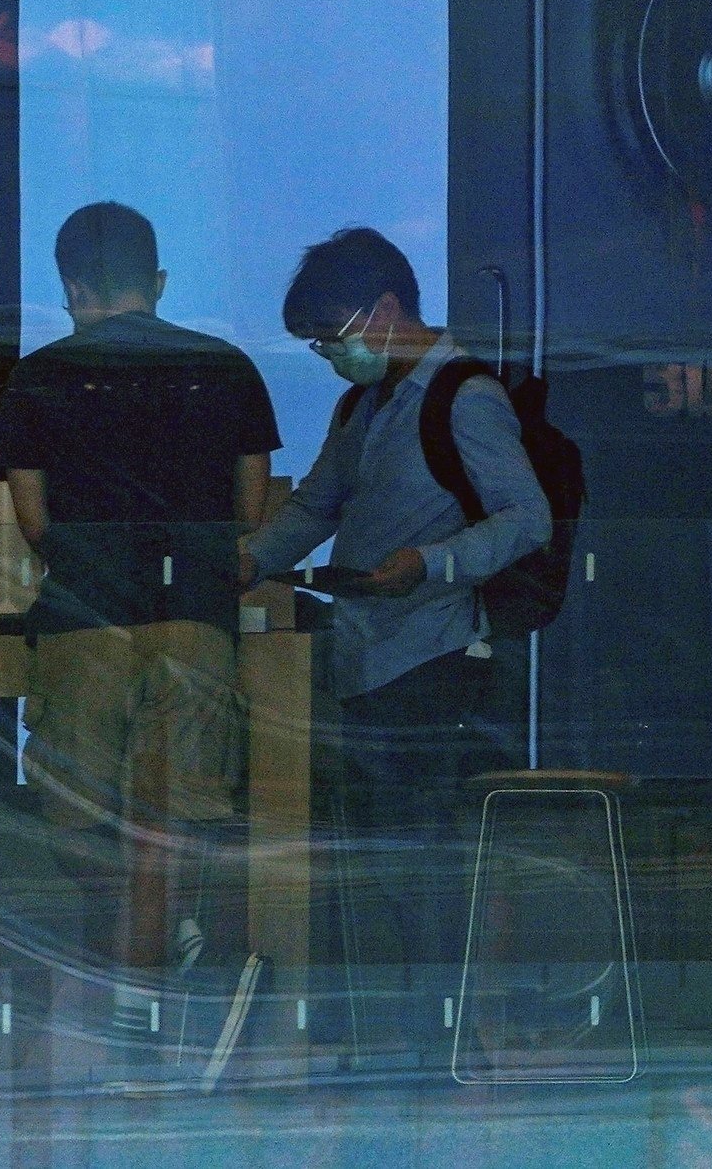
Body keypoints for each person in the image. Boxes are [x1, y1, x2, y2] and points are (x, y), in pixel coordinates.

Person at [243, 226, 549, 1066]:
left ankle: (442, 1040)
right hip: (368, 656)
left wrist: (432, 563)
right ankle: (409, 1036)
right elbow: (316, 503)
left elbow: (528, 518)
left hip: (436, 658)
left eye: (333, 338)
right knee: (386, 858)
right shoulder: (365, 404)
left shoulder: (464, 396)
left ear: (385, 311)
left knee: (423, 861)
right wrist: (252, 559)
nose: (331, 357)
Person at [0, 201, 280, 981]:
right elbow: (250, 512)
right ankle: (163, 956)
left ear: (73, 288)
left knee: (81, 820)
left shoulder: (39, 376)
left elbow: (32, 517)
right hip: (194, 618)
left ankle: (122, 978)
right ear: (158, 280)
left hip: (84, 621)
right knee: (180, 815)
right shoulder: (227, 367)